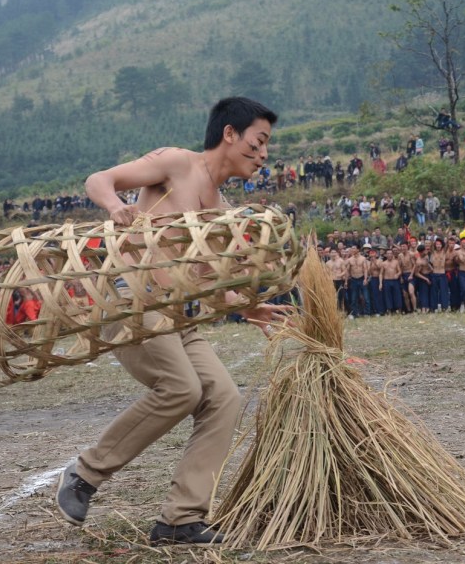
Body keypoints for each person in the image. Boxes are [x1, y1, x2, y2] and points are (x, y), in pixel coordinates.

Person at [54, 97, 289, 545]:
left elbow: (206, 281)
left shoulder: (220, 212)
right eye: (258, 143)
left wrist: (247, 306)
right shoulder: (178, 163)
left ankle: (180, 519)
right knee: (182, 387)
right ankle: (84, 474)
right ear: (229, 135)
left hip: (181, 316)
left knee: (223, 396)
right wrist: (114, 205)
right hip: (133, 301)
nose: (263, 155)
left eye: (266, 147)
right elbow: (100, 179)